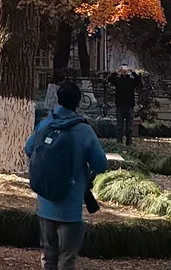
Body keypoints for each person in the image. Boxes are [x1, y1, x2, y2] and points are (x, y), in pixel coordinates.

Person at [25, 80, 108, 270]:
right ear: (78, 102)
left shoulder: (45, 124)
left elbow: (29, 149)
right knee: (67, 258)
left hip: (45, 202)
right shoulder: (84, 130)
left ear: (58, 100)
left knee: (48, 255)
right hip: (70, 205)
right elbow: (101, 164)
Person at [106, 65, 143, 145]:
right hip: (120, 105)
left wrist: (133, 71)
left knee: (129, 127)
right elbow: (110, 79)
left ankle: (129, 143)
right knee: (119, 126)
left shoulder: (131, 81)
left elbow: (138, 81)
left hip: (129, 105)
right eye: (123, 70)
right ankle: (119, 142)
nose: (124, 71)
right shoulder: (118, 80)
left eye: (126, 70)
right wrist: (116, 72)